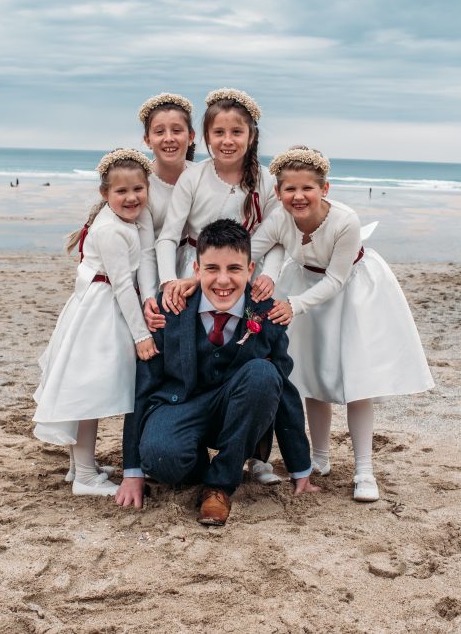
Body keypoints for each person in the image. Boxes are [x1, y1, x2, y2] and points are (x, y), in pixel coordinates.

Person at [251, 146, 435, 502]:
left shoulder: (345, 220)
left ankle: (364, 469)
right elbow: (255, 249)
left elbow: (336, 280)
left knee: (356, 378)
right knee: (312, 375)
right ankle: (319, 457)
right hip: (305, 283)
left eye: (308, 188)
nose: (298, 196)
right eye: (290, 189)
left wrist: (294, 305)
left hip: (352, 289)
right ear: (278, 192)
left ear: (325, 189)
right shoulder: (279, 217)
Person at [116, 219, 318, 525]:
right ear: (196, 271)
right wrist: (132, 471)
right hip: (179, 403)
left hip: (237, 409)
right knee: (159, 459)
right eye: (212, 269)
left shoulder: (266, 314)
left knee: (264, 375)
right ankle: (197, 464)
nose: (223, 280)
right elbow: (143, 383)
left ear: (250, 270)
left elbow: (285, 389)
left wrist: (299, 467)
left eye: (234, 269)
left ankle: (220, 485)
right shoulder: (170, 307)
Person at [32, 148, 159, 497]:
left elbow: (146, 258)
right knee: (89, 391)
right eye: (121, 192)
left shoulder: (134, 217)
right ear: (105, 194)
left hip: (102, 306)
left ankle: (79, 466)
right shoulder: (110, 230)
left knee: (89, 388)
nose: (131, 197)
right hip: (100, 313)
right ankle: (86, 476)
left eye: (138, 189)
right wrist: (141, 335)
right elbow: (121, 285)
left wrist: (150, 298)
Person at [155, 88, 284, 314]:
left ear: (251, 136)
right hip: (196, 270)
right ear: (207, 136)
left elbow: (278, 236)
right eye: (219, 132)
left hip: (248, 272)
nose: (227, 141)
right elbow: (168, 236)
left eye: (236, 132)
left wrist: (269, 274)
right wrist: (168, 281)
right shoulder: (193, 177)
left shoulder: (267, 181)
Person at [137, 92, 196, 326]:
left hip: (195, 268)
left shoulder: (200, 176)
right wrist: (149, 297)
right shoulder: (142, 185)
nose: (168, 138)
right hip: (152, 268)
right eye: (159, 132)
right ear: (147, 140)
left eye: (177, 130)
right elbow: (145, 250)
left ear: (191, 136)